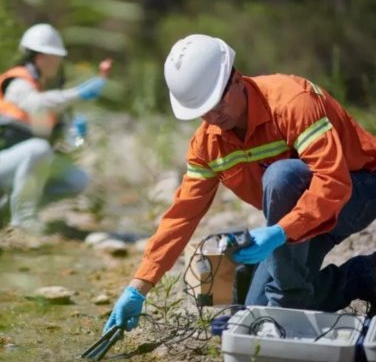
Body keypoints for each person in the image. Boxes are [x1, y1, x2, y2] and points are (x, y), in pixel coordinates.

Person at [104, 33, 376, 333]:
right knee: (219, 263)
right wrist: (138, 287)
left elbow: (333, 182)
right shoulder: (207, 145)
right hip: (296, 221)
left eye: (216, 103)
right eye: (202, 111)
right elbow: (181, 217)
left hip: (358, 190)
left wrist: (279, 233)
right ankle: (362, 276)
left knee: (281, 175)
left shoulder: (292, 102)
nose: (212, 116)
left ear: (236, 78)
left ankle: (285, 303)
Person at [0, 23, 109, 234]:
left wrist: (75, 135)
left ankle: (7, 212)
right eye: (55, 57)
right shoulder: (17, 82)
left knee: (77, 179)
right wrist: (77, 94)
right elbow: (36, 105)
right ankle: (22, 221)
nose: (58, 62)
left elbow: (61, 142)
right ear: (41, 56)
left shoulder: (43, 88)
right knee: (38, 149)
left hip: (20, 163)